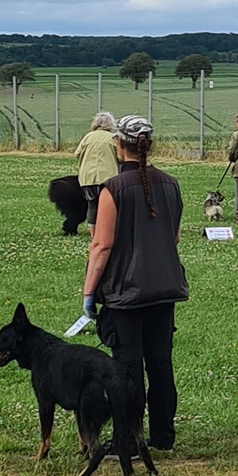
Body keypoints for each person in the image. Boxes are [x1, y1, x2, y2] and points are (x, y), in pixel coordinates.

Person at [83, 114, 188, 452]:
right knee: (160, 364)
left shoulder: (112, 189)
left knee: (127, 368)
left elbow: (101, 245)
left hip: (125, 293)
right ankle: (163, 436)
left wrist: (88, 293)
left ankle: (128, 439)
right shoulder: (171, 184)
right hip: (165, 288)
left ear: (118, 145)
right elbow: (173, 238)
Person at [72, 111, 120, 234]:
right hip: (108, 178)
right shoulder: (113, 138)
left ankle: (94, 233)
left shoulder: (88, 137)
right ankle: (109, 231)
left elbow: (77, 154)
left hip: (88, 177)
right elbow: (120, 157)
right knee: (109, 206)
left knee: (92, 205)